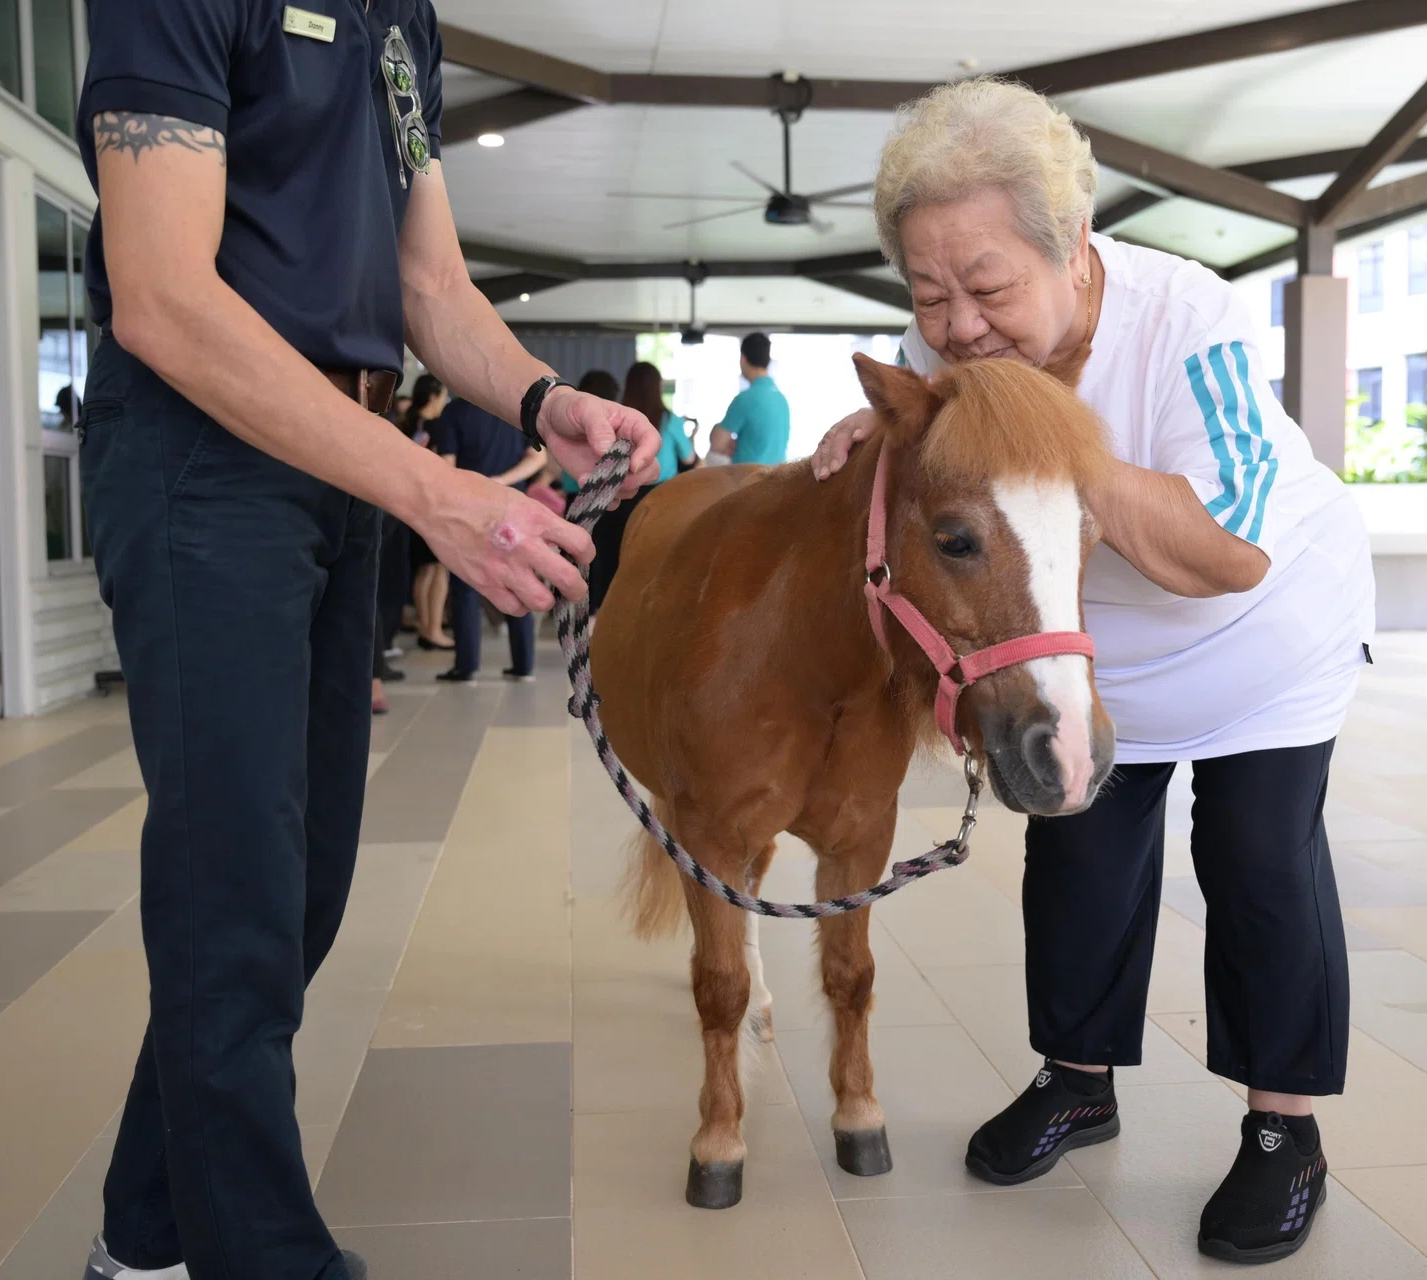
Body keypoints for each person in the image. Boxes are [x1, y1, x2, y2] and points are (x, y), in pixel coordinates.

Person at [73, 5, 659, 1275]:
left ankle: (141, 1238)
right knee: (232, 894)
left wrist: (545, 397)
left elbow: (428, 283)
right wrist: (441, 494)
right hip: (200, 449)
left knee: (299, 895)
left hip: (340, 455)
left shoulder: (403, 18)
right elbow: (164, 298)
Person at [810, 79, 1374, 1266]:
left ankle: (1285, 1131)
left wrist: (1055, 438)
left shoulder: (1191, 322)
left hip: (1261, 640)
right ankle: (1077, 1080)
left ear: (1073, 244)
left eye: (989, 289)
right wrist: (895, 428)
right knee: (1075, 856)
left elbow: (1226, 553)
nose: (957, 327)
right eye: (928, 294)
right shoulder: (946, 344)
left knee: (1260, 860)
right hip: (1082, 655)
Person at [433, 396, 545, 682]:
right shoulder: (516, 411)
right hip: (513, 504)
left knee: (465, 585)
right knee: (518, 579)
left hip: (470, 508)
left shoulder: (454, 411)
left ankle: (466, 665)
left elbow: (447, 466)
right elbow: (538, 457)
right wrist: (503, 482)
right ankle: (524, 665)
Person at [579, 360, 695, 611]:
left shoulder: (618, 418)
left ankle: (607, 614)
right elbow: (689, 459)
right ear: (657, 387)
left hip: (619, 497)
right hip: (661, 500)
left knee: (612, 557)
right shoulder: (669, 420)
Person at [398, 375, 455, 651]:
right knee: (438, 569)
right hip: (434, 504)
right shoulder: (438, 425)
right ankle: (433, 630)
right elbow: (445, 467)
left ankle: (425, 625)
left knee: (423, 570)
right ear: (434, 396)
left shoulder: (407, 422)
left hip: (409, 504)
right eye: (443, 395)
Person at [708, 331, 790, 465]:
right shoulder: (782, 400)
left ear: (743, 359)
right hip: (777, 477)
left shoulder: (745, 399)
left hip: (748, 479)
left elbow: (717, 444)